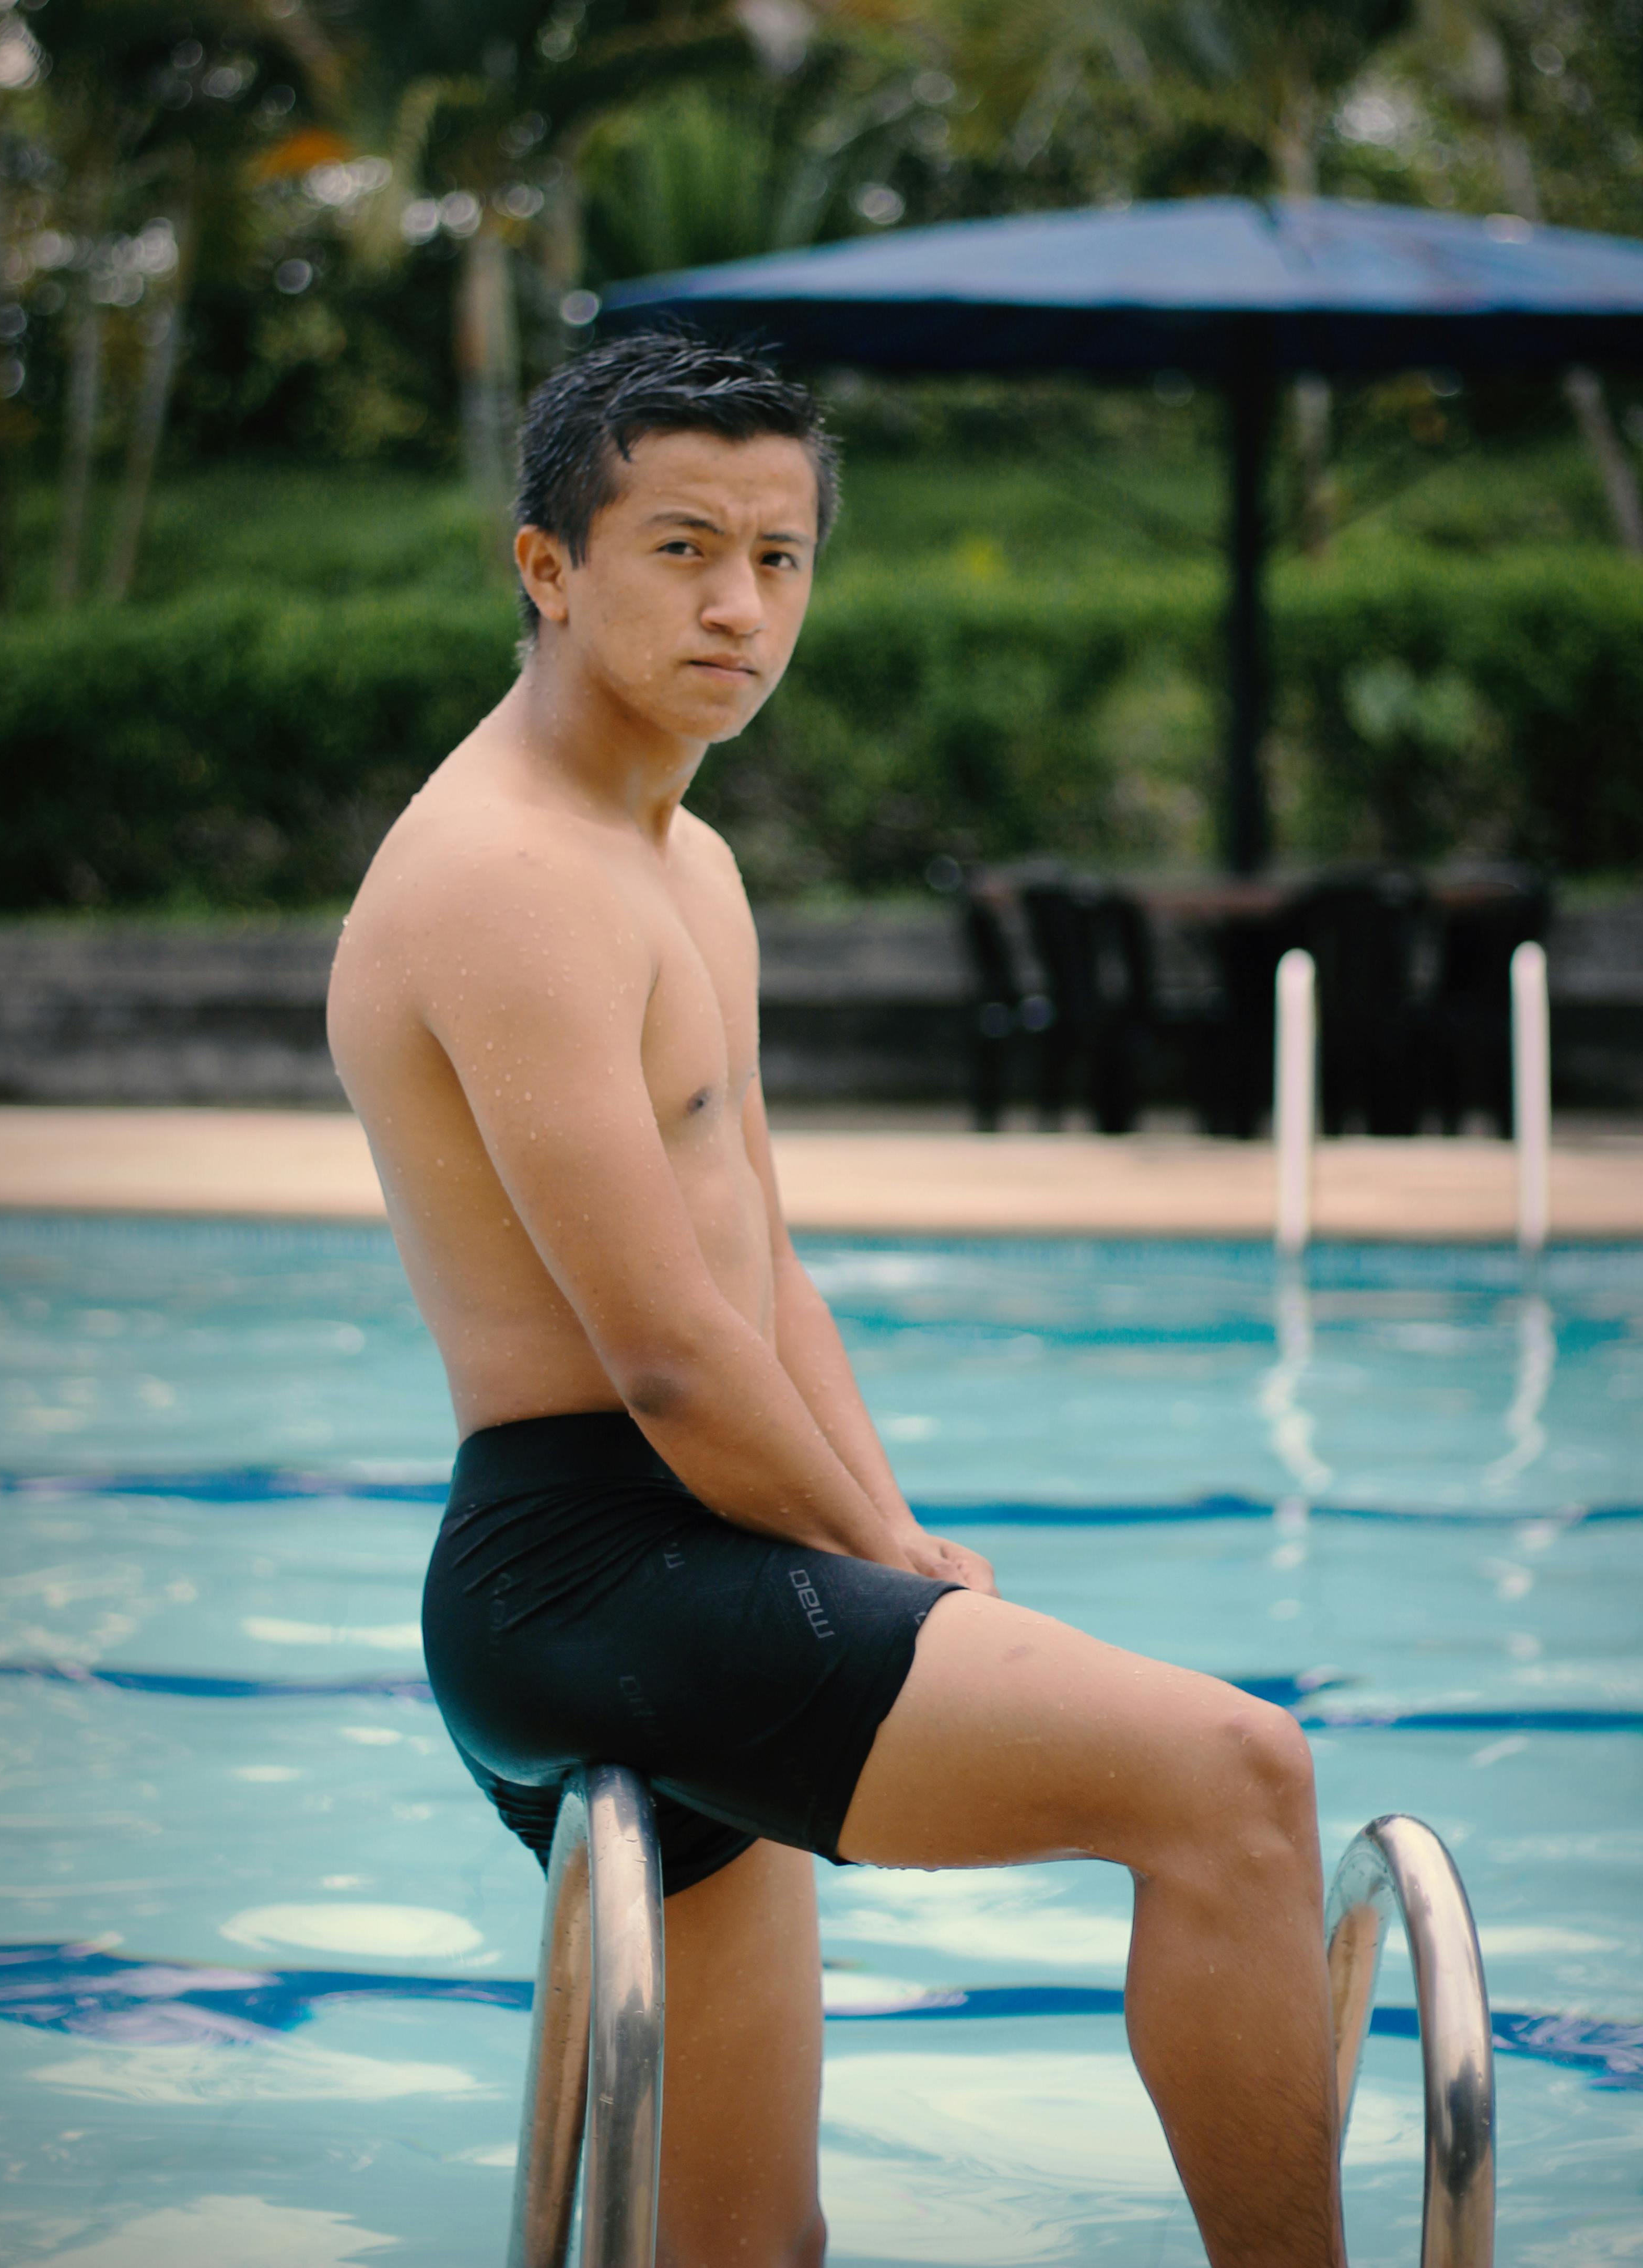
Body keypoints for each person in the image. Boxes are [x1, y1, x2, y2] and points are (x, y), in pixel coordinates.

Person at [327, 330, 1347, 2268]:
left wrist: (903, 1545)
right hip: (593, 1574)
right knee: (1233, 1780)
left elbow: (760, 1262)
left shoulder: (682, 858)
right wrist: (887, 1558)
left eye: (780, 558)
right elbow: (663, 1352)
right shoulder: (506, 878)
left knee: (745, 2244)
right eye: (684, 548)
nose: (740, 606)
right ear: (546, 568)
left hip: (686, 1565)